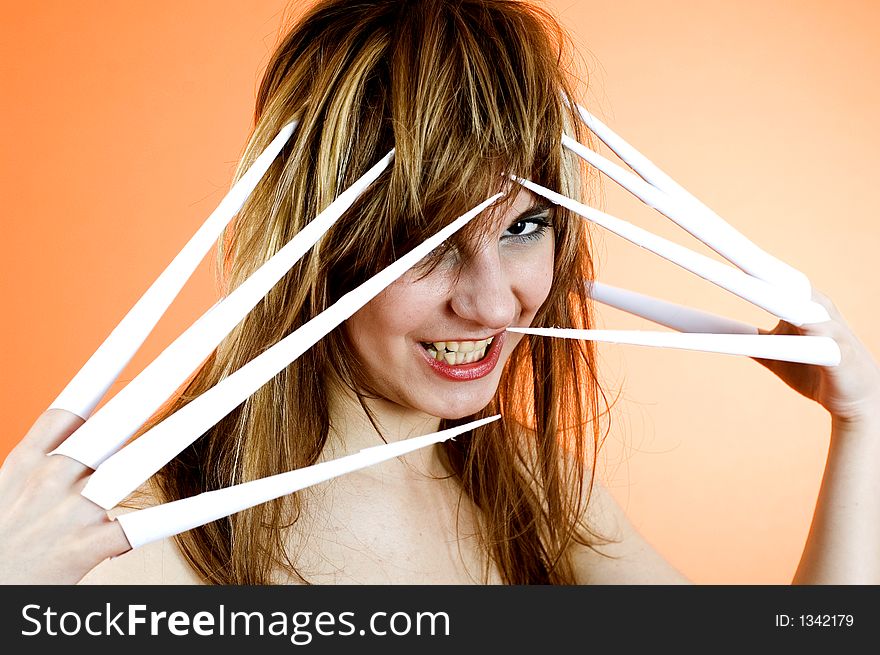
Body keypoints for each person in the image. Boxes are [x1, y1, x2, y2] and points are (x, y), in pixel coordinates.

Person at [2, 0, 879, 585]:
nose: (496, 305)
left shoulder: (530, 489)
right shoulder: (134, 537)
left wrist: (862, 424)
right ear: (317, 250)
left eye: (523, 227)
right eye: (426, 246)